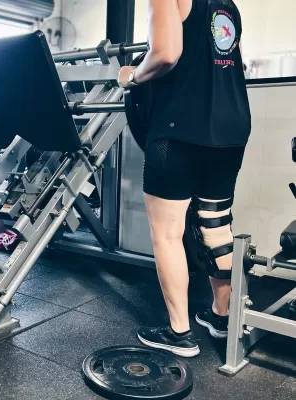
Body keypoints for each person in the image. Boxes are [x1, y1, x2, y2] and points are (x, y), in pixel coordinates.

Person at [118, 0, 251, 357]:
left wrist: (130, 76)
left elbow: (165, 53)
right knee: (216, 225)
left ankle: (178, 333)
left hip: (180, 127)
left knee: (167, 231)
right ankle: (222, 315)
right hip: (232, 127)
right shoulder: (227, 5)